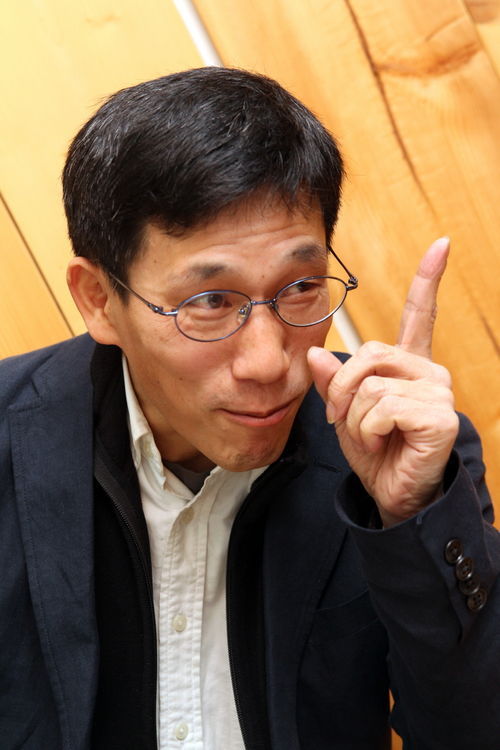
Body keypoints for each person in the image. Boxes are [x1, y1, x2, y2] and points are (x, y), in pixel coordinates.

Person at [0, 67, 498, 750]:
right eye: (210, 301)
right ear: (98, 300)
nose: (267, 362)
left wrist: (411, 520)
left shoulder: (399, 446)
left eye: (301, 286)